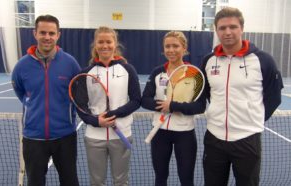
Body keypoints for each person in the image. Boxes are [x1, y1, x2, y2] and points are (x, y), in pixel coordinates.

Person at [201, 7, 283, 186]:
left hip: (247, 139)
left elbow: (274, 97)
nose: (227, 32)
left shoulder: (263, 60)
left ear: (242, 28)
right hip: (214, 138)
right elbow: (208, 93)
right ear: (216, 30)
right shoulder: (208, 61)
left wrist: (253, 118)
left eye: (233, 27)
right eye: (222, 28)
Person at [11, 15, 80, 186]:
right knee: (35, 182)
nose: (47, 37)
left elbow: (78, 93)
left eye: (51, 33)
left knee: (70, 181)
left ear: (58, 35)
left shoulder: (71, 64)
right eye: (43, 32)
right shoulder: (21, 66)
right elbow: (20, 92)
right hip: (33, 138)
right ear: (35, 34)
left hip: (65, 136)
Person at [76, 26, 141, 186]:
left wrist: (115, 114)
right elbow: (81, 107)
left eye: (108, 42)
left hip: (122, 134)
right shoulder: (87, 72)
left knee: (121, 181)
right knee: (97, 182)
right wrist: (97, 121)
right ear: (95, 45)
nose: (105, 46)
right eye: (101, 42)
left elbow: (136, 100)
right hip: (94, 136)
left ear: (115, 43)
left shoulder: (127, 69)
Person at [141, 31, 206, 186]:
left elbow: (200, 106)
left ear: (184, 48)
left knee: (186, 178)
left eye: (175, 46)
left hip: (185, 134)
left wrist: (173, 106)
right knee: (161, 176)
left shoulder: (195, 74)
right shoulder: (158, 72)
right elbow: (145, 100)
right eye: (167, 46)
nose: (171, 50)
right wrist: (163, 106)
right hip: (160, 132)